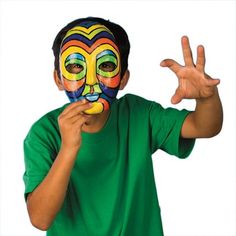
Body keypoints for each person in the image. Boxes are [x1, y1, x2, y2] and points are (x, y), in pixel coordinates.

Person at [23, 17, 223, 236]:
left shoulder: (139, 114)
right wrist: (68, 147)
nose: (91, 82)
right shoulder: (43, 134)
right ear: (59, 79)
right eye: (75, 66)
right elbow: (40, 219)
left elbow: (205, 127)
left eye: (106, 65)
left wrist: (207, 97)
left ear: (123, 78)